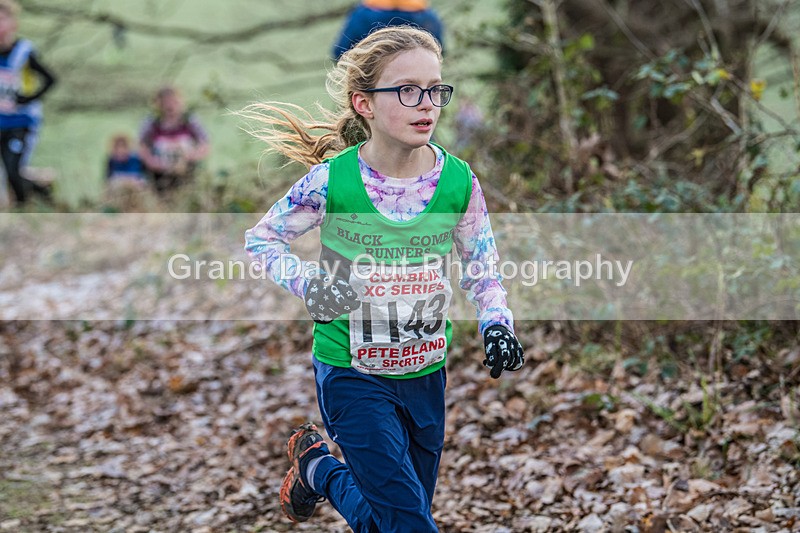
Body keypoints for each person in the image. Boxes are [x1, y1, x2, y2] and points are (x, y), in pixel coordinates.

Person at [243, 26, 524, 532]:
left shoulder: (459, 182)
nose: (427, 105)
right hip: (352, 371)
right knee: (409, 524)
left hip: (424, 374)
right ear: (364, 104)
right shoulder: (334, 181)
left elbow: (481, 266)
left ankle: (319, 470)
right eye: (407, 91)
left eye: (436, 89)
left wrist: (497, 323)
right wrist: (311, 284)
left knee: (388, 521)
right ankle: (322, 468)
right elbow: (262, 240)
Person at [0, 0, 56, 205]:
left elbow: (50, 79)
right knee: (7, 173)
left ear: (13, 24)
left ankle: (24, 207)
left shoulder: (23, 52)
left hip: (21, 121)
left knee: (13, 169)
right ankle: (41, 191)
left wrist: (26, 98)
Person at [138, 85, 209, 194]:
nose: (170, 106)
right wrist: (153, 163)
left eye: (173, 102)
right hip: (159, 175)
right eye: (165, 103)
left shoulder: (190, 120)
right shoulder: (152, 122)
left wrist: (190, 157)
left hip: (187, 171)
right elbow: (142, 147)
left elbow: (204, 145)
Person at [332, 0, 444, 60]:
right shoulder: (427, 16)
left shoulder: (361, 16)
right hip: (416, 88)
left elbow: (340, 52)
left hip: (372, 85)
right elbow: (439, 51)